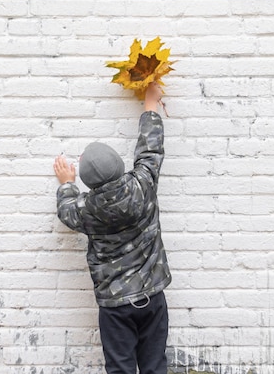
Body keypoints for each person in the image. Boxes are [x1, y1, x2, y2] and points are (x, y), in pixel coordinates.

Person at [53, 82, 171, 374]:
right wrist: (150, 106)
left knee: (119, 368)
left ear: (89, 182)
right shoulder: (143, 184)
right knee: (155, 366)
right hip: (152, 297)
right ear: (120, 165)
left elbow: (66, 211)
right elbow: (150, 150)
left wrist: (67, 183)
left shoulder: (87, 210)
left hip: (115, 307)